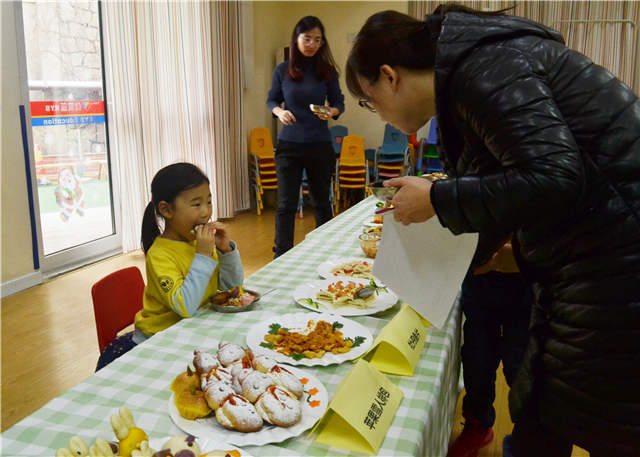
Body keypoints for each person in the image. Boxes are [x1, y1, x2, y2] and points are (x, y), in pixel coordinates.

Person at [346, 6, 640, 457]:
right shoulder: (474, 72)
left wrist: (438, 200)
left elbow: (557, 176)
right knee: (544, 406)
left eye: (370, 101)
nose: (379, 115)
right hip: (590, 256)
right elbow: (504, 186)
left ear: (389, 76)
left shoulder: (484, 71)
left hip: (616, 259)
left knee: (600, 415)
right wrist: (457, 255)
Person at [267, 15, 345, 257]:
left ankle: (326, 251)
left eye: (317, 40)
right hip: (289, 146)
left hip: (320, 145)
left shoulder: (327, 72)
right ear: (297, 39)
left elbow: (338, 102)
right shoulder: (282, 70)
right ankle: (282, 254)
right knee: (286, 205)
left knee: (322, 202)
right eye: (307, 38)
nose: (312, 44)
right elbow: (271, 100)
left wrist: (332, 111)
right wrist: (279, 112)